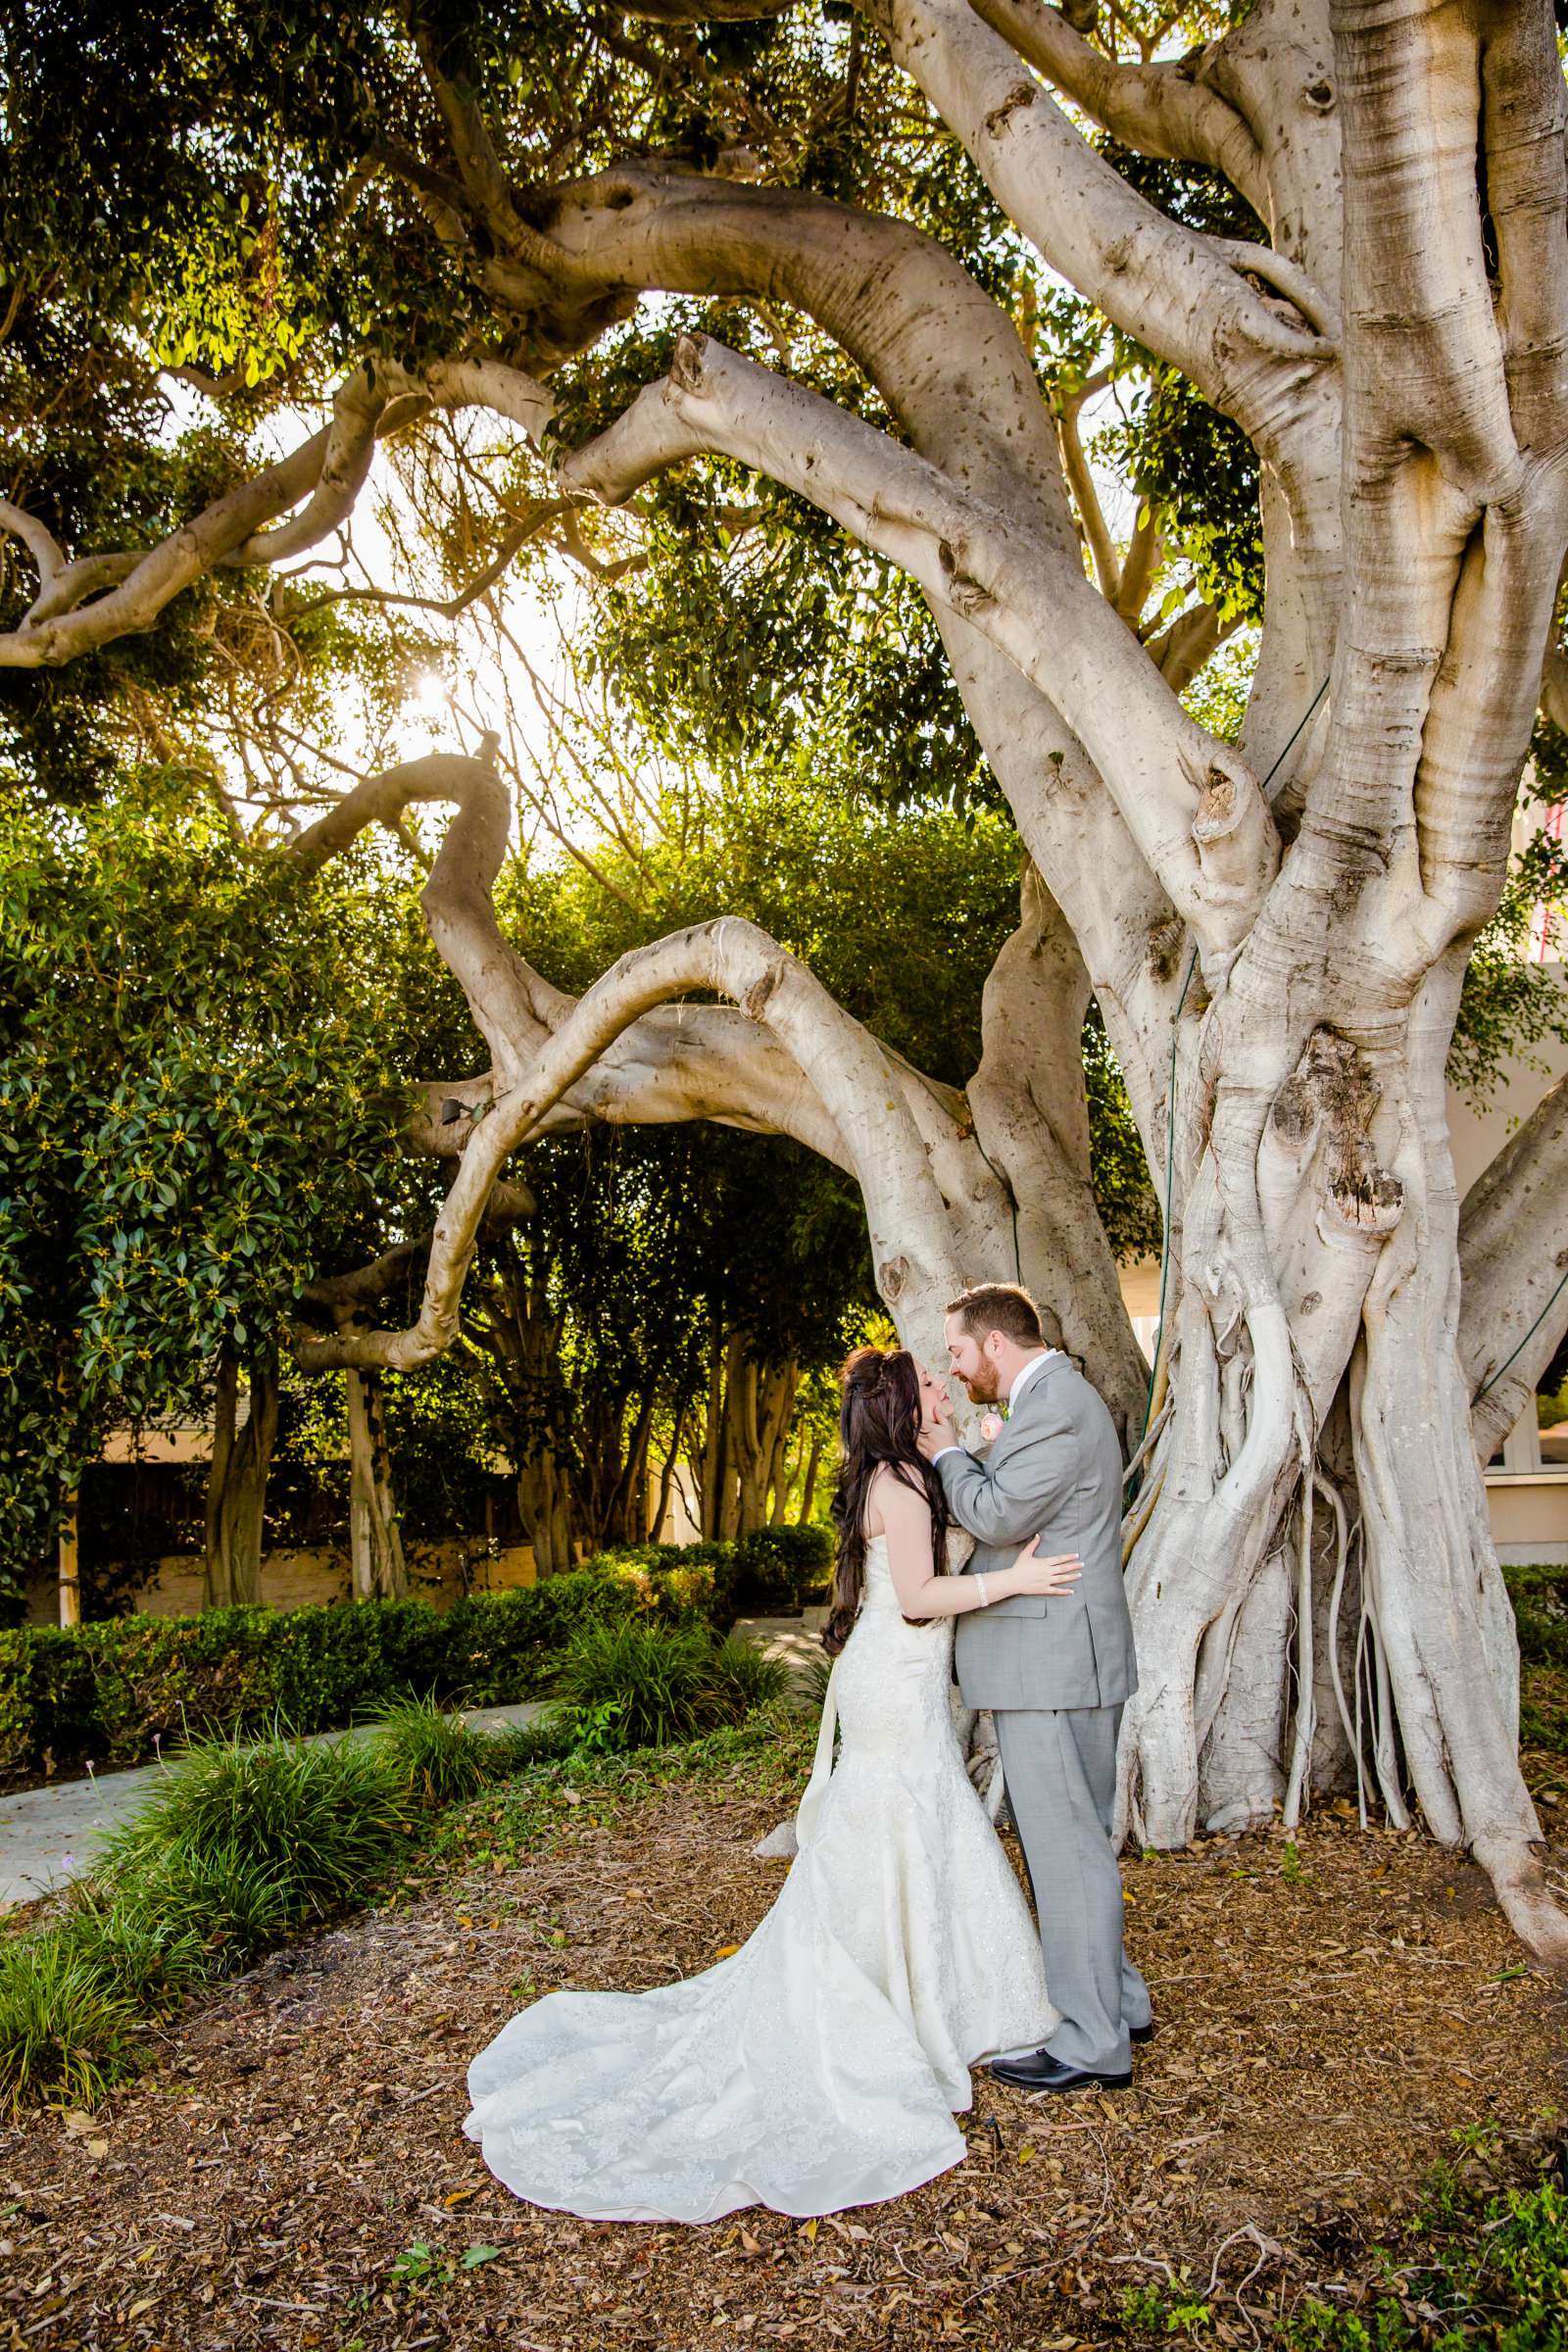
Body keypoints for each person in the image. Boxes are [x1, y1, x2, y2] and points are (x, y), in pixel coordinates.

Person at [463, 1344, 1083, 2223]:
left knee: (910, 1827)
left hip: (892, 1682)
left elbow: (950, 1538)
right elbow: (915, 1594)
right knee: (901, 1825)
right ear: (906, 1406)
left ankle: (911, 1987)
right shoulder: (901, 1487)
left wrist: (971, 1449)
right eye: (929, 1385)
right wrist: (1012, 1580)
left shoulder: (906, 1474)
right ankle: (883, 2000)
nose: (941, 1387)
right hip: (894, 1681)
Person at [921, 1281, 1152, 2093]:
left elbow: (997, 1514)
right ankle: (1120, 2003)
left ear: (994, 1343)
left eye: (956, 1351)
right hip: (1062, 1659)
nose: (952, 1369)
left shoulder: (1055, 1404)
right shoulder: (1051, 1401)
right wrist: (982, 1445)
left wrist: (948, 1451)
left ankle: (1093, 2043)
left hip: (1055, 1665)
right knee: (1076, 1842)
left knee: (1066, 1854)